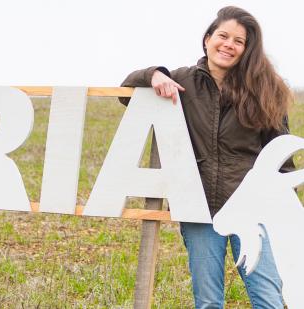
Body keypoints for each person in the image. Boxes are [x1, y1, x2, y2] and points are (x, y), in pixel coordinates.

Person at [120, 6, 294, 309]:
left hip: (252, 208)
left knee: (268, 299)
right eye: (223, 36)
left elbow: (280, 154)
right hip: (198, 206)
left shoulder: (265, 89)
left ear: (246, 50)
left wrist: (284, 210)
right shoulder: (183, 81)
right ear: (207, 39)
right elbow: (126, 92)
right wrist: (154, 75)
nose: (229, 44)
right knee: (208, 302)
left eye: (238, 41)